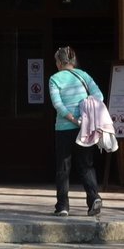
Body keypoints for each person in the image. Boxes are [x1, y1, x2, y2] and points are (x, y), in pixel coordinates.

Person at [47, 46, 104, 216]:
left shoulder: (54, 79)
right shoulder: (84, 75)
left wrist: (72, 118)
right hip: (84, 128)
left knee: (63, 168)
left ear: (59, 62)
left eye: (56, 61)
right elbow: (99, 97)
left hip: (64, 129)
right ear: (72, 61)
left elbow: (58, 105)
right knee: (86, 165)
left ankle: (62, 206)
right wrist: (85, 113)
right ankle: (93, 198)